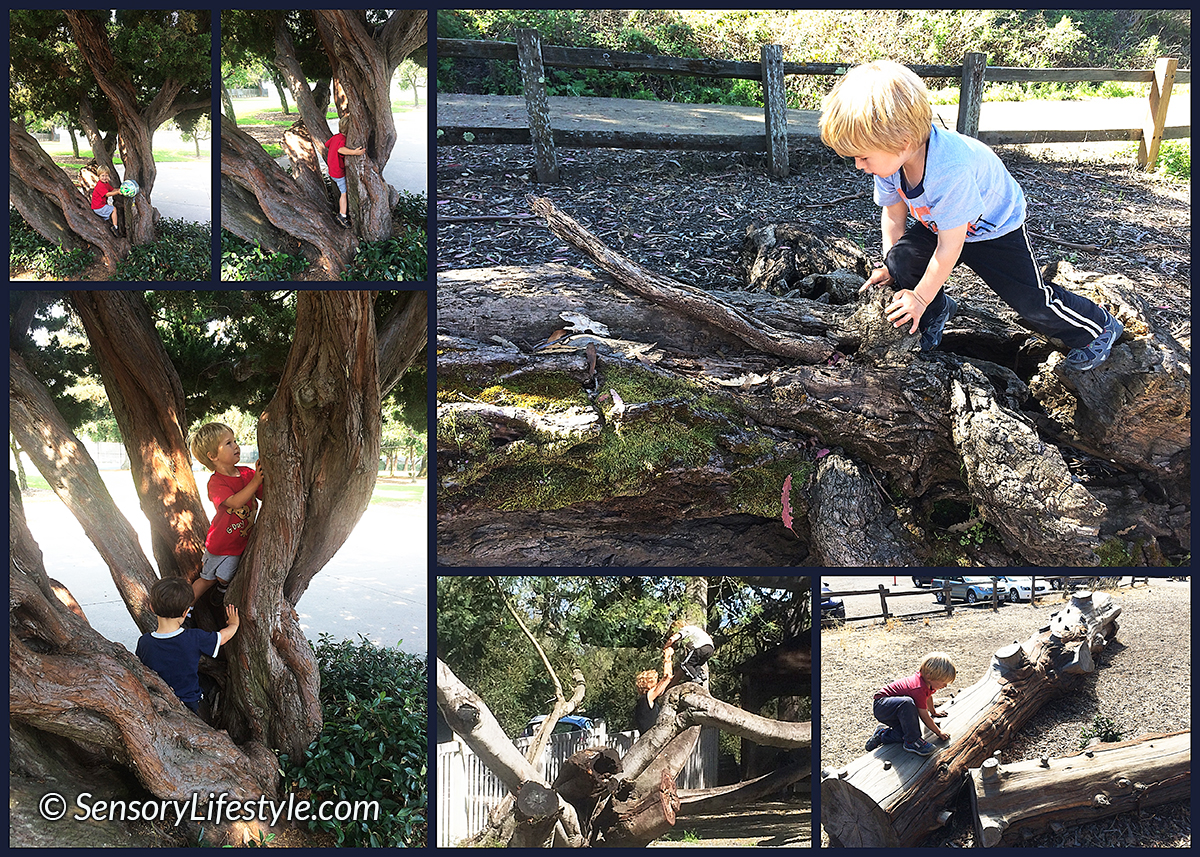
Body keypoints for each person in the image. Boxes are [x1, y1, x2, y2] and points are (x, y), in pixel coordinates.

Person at [819, 60, 1123, 371]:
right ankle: (937, 310)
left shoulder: (949, 169)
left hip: (993, 229)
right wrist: (892, 268)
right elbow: (894, 218)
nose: (858, 165)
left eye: (862, 156)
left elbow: (951, 246)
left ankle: (1096, 328)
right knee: (901, 260)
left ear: (903, 142)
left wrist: (920, 297)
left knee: (1030, 302)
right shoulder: (889, 162)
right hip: (942, 221)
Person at [135, 577, 239, 715]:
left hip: (158, 700)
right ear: (185, 612)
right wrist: (234, 624)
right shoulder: (194, 638)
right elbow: (222, 638)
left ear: (151, 608)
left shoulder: (144, 642)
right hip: (189, 701)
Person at [189, 422, 264, 605]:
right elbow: (235, 502)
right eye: (228, 443)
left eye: (235, 441)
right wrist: (256, 481)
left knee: (228, 576)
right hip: (221, 543)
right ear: (212, 456)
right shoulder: (216, 482)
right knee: (207, 579)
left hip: (243, 541)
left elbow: (265, 495)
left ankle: (222, 591)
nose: (236, 446)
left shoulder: (247, 474)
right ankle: (182, 609)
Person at [865, 651, 956, 756]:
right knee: (907, 703)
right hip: (882, 706)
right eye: (943, 682)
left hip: (896, 710)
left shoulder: (928, 684)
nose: (945, 686)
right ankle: (912, 742)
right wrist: (939, 732)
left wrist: (934, 712)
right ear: (930, 676)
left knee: (904, 734)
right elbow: (924, 716)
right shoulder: (918, 688)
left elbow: (928, 696)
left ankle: (881, 734)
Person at [324, 125, 367, 228]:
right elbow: (340, 149)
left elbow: (327, 144)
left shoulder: (336, 137)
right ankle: (342, 216)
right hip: (338, 173)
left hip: (332, 170)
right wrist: (355, 152)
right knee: (344, 193)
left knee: (342, 190)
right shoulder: (342, 139)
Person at [633, 647, 675, 733]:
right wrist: (667, 656)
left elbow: (666, 680)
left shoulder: (646, 701)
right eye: (656, 682)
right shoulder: (646, 699)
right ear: (649, 685)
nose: (658, 685)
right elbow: (667, 678)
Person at [663, 620, 715, 684]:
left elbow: (673, 638)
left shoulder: (685, 629)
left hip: (700, 647)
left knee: (685, 664)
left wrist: (666, 647)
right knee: (696, 664)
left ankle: (695, 678)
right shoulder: (696, 629)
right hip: (710, 649)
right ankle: (701, 675)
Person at [90, 166, 122, 234]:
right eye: (102, 176)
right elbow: (107, 194)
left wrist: (120, 189)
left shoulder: (106, 184)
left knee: (108, 214)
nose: (104, 177)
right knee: (114, 209)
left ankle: (108, 225)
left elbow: (112, 189)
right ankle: (115, 227)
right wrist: (117, 192)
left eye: (106, 175)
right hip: (98, 207)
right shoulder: (100, 185)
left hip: (100, 206)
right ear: (98, 176)